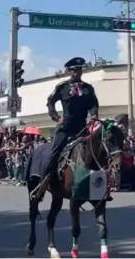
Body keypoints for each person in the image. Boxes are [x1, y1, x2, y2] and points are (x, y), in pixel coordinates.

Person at [30, 57, 100, 201]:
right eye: (75, 69)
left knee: (96, 153)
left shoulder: (88, 88)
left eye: (80, 69)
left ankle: (99, 188)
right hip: (66, 127)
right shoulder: (62, 87)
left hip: (82, 127)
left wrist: (93, 115)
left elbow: (93, 104)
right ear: (70, 71)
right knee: (53, 155)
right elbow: (50, 102)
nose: (78, 72)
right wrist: (56, 117)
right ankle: (41, 186)